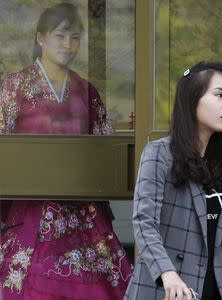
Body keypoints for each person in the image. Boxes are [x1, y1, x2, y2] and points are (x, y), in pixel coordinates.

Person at [0, 3, 132, 299]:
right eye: (61, 36)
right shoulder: (15, 87)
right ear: (41, 38)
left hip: (81, 208)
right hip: (34, 203)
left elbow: (105, 146)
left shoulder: (87, 90)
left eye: (75, 37)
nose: (68, 45)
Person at [124, 61, 222, 300]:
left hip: (216, 289)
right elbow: (144, 223)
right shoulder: (160, 154)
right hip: (167, 289)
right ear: (192, 99)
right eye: (218, 95)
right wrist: (167, 272)